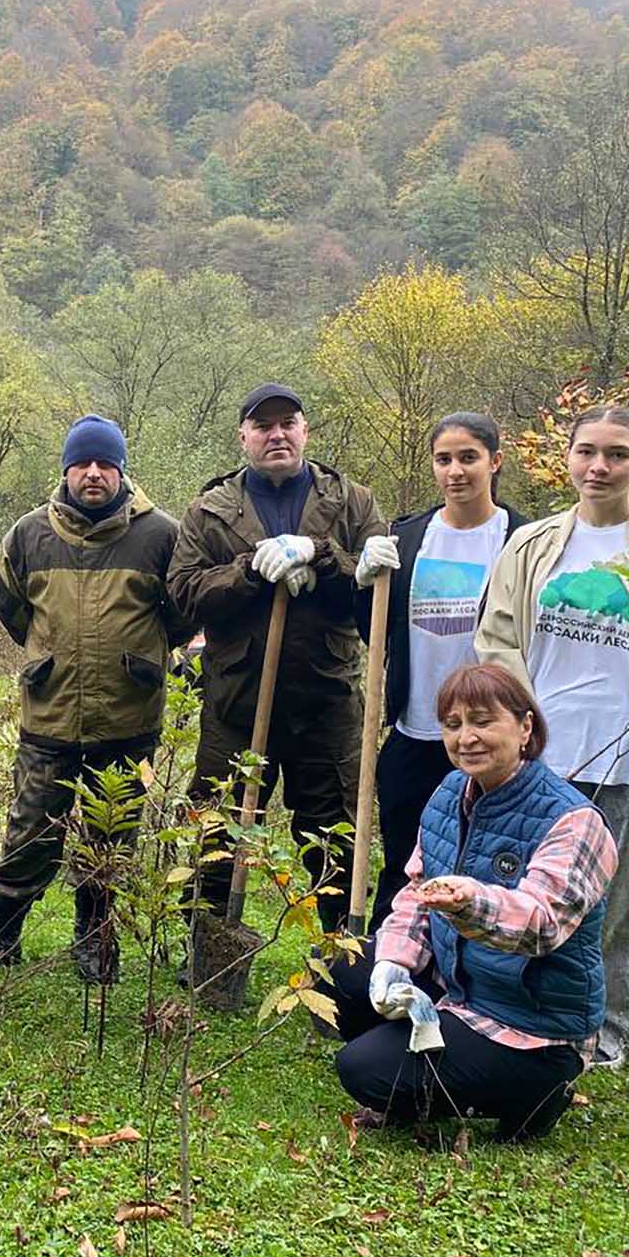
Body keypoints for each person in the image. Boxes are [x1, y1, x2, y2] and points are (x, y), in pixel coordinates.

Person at [475, 406, 629, 1067]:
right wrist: (520, 719)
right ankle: (538, 1016)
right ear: (568, 457)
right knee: (539, 892)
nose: (599, 467)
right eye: (587, 451)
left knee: (623, 902)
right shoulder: (532, 545)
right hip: (546, 756)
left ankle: (613, 1032)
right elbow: (497, 638)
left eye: (617, 454)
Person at [319, 663, 616, 1141]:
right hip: (457, 985)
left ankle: (538, 1092)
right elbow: (417, 893)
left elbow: (541, 925)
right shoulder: (450, 792)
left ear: (525, 727)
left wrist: (470, 902)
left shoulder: (574, 822)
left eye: (482, 721)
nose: (466, 738)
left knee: (364, 1071)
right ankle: (417, 1056)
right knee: (341, 965)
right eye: (452, 725)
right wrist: (393, 962)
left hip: (529, 1024)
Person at [0, 414, 189, 981]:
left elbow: (181, 614)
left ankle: (94, 940)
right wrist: (49, 656)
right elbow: (11, 608)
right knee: (30, 829)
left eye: (105, 464)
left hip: (128, 716)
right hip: (50, 712)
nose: (93, 473)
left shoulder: (161, 535)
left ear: (122, 470)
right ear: (66, 469)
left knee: (110, 834)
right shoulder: (29, 534)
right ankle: (3, 934)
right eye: (82, 463)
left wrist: (140, 659)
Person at [167, 383, 386, 934]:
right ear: (243, 437)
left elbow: (377, 585)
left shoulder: (352, 501)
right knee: (219, 833)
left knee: (335, 834)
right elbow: (185, 591)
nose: (277, 435)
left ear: (305, 430)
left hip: (327, 699)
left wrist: (323, 558)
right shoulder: (210, 510)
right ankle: (211, 947)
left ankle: (340, 948)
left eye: (288, 423)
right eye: (263, 426)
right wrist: (247, 572)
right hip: (237, 703)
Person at [356, 413, 529, 928]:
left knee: (483, 869)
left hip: (490, 736)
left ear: (495, 462)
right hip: (415, 731)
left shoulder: (524, 540)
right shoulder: (408, 537)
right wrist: (362, 583)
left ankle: (467, 965)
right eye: (444, 459)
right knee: (404, 864)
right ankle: (389, 960)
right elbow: (375, 632)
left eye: (469, 458)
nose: (456, 471)